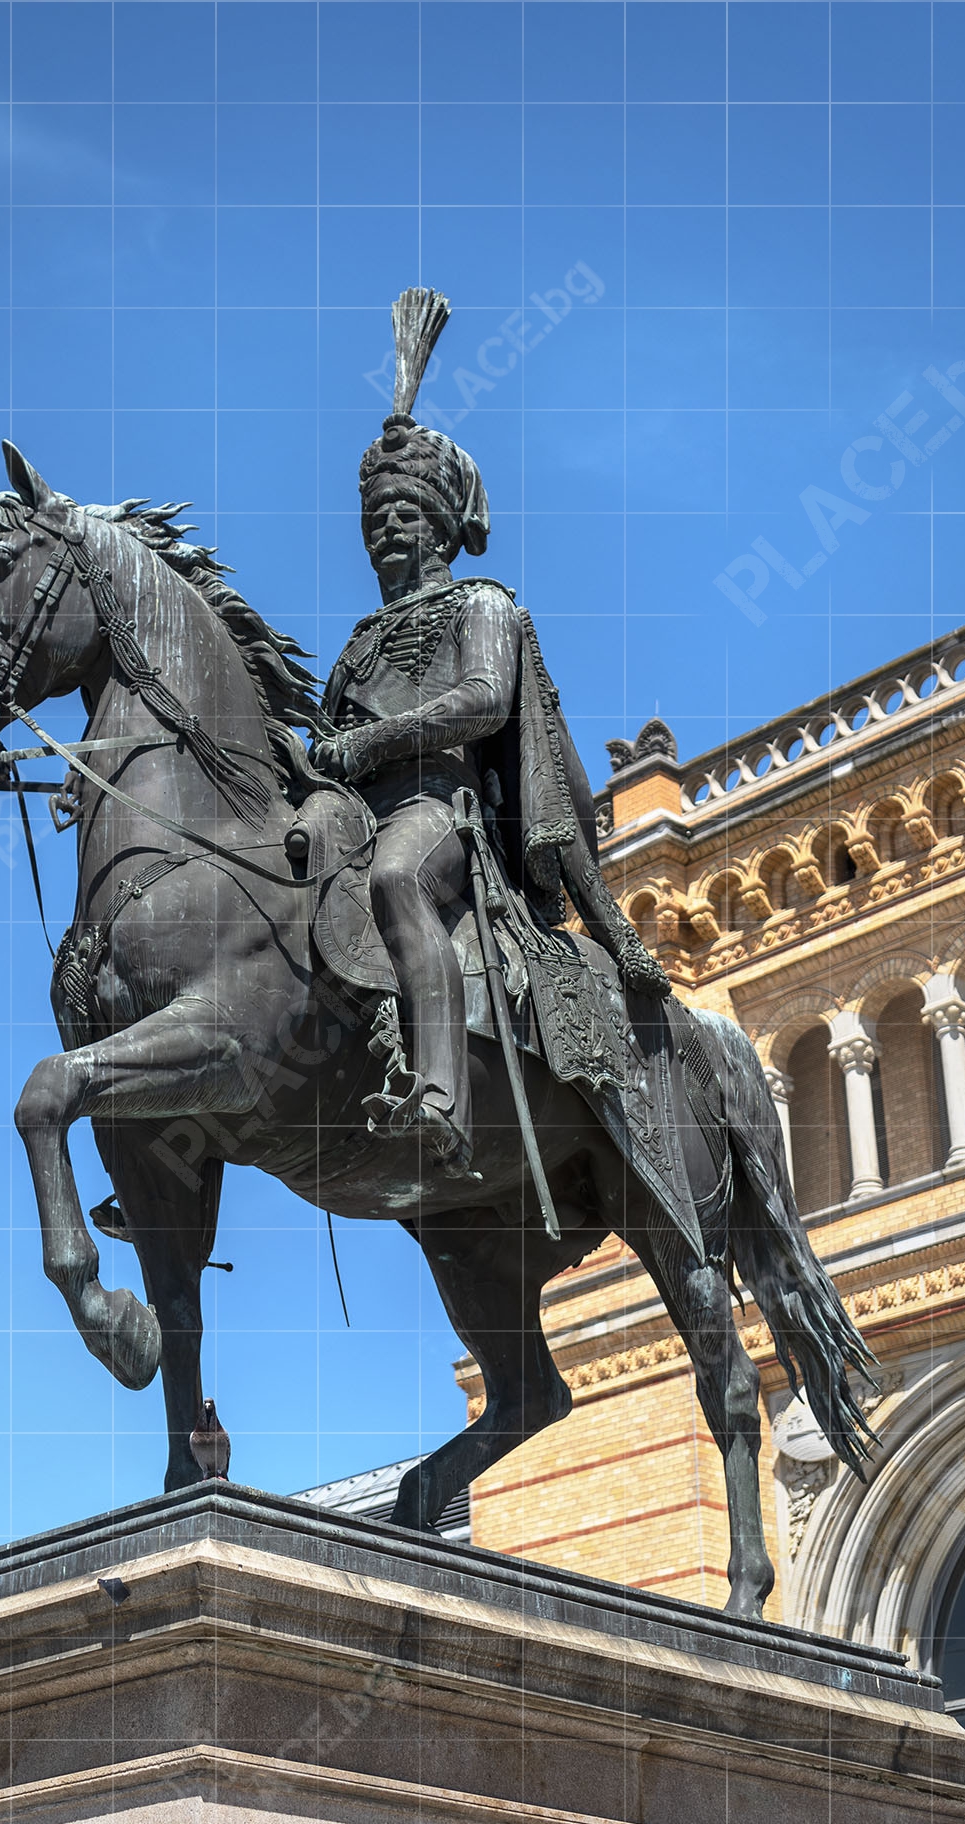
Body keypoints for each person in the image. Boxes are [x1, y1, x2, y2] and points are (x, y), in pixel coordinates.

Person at [312, 290, 666, 1176]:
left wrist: (370, 745)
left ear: (438, 527)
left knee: (396, 878)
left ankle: (441, 1096)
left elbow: (480, 701)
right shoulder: (359, 642)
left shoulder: (482, 604)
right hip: (355, 811)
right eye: (372, 521)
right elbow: (325, 735)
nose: (382, 533)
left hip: (439, 808)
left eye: (400, 517)